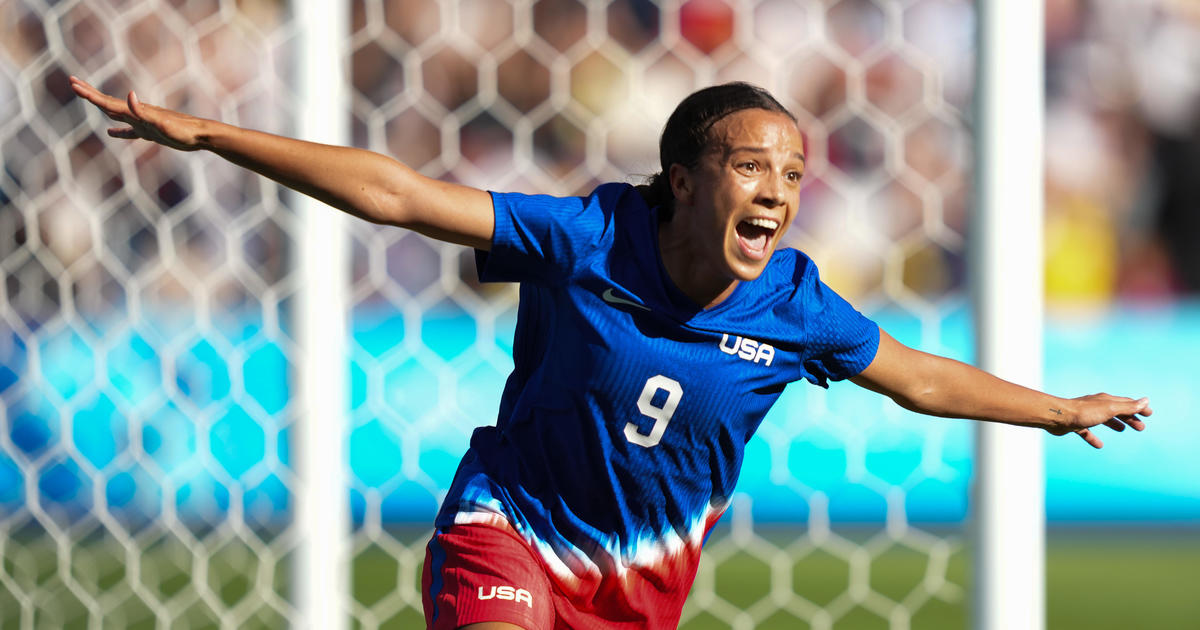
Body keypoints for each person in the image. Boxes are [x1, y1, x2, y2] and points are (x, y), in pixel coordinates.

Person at [72, 77, 1151, 630]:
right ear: (684, 179)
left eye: (795, 172)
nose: (777, 188)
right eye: (751, 164)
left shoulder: (796, 305)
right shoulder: (589, 238)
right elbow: (398, 193)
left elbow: (917, 375)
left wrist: (1056, 410)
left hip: (635, 590)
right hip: (509, 527)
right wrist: (216, 137)